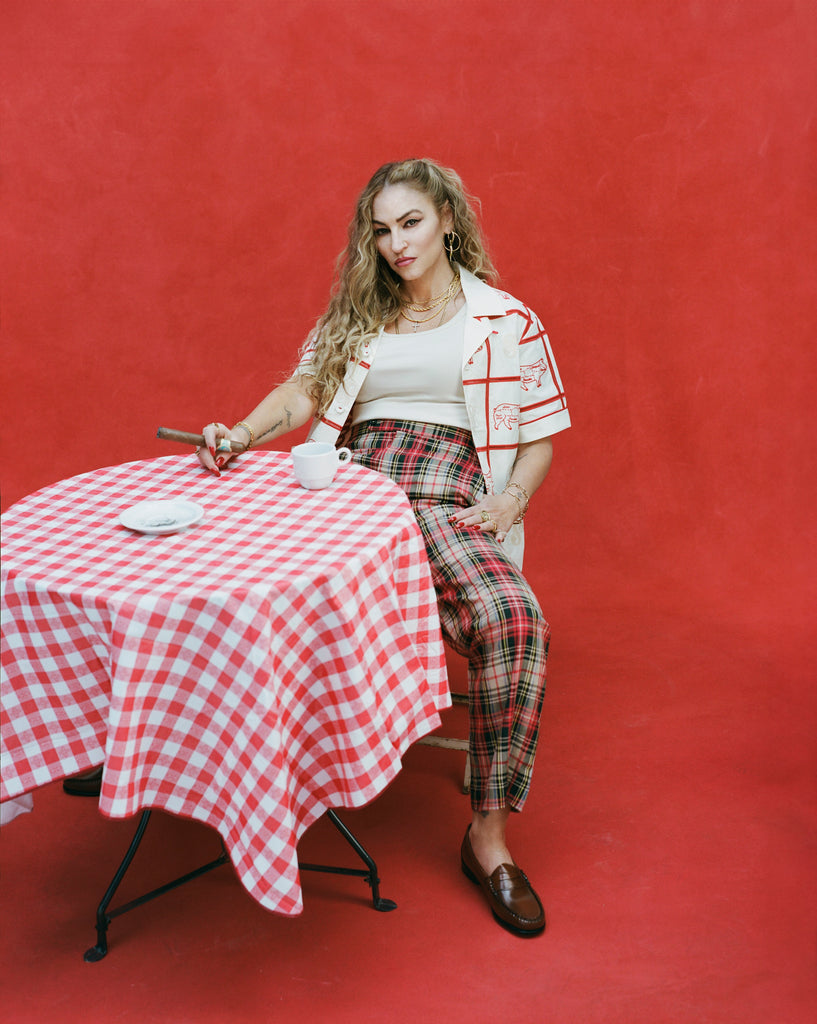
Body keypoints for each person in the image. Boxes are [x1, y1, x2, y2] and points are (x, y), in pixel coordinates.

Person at [197, 159, 570, 936]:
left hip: (444, 492)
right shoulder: (359, 313)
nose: (396, 243)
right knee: (227, 569)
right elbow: (303, 390)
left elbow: (537, 439)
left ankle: (488, 840)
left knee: (511, 618)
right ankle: (168, 761)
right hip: (351, 483)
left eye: (410, 223)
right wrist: (241, 432)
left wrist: (509, 500)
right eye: (381, 229)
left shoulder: (505, 320)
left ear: (446, 222)